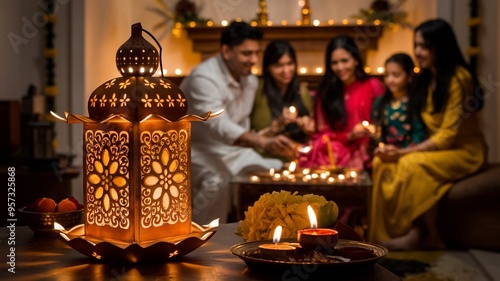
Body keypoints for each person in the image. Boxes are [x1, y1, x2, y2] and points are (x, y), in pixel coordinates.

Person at [369, 19, 487, 250]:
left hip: (464, 151)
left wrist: (403, 151)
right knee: (380, 161)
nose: (418, 52)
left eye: (424, 46)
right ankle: (381, 234)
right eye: (417, 45)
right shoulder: (425, 77)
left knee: (410, 162)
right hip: (433, 146)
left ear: (439, 47)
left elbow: (446, 136)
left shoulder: (458, 78)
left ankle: (421, 233)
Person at [179, 21, 296, 224]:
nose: (253, 60)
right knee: (216, 183)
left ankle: (262, 233)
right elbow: (219, 124)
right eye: (246, 53)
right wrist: (263, 143)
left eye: (256, 53)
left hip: (231, 150)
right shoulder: (204, 78)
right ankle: (203, 238)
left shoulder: (249, 79)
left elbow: (241, 126)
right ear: (226, 51)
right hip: (193, 149)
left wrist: (271, 135)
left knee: (277, 170)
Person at [299, 35, 384, 171]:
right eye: (334, 63)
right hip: (336, 154)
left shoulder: (373, 86)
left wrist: (370, 132)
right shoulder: (326, 91)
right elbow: (322, 133)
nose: (340, 67)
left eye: (345, 61)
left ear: (356, 60)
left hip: (369, 149)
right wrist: (349, 136)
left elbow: (383, 123)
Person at [250, 39, 314, 154]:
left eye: (290, 64)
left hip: (296, 157)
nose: (286, 71)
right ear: (268, 68)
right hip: (262, 157)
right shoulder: (257, 90)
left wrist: (307, 127)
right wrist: (276, 126)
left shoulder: (302, 91)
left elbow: (308, 137)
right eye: (278, 65)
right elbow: (247, 137)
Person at [372, 53, 426, 149]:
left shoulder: (415, 102)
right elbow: (377, 132)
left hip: (410, 152)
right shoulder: (380, 102)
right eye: (387, 75)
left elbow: (419, 134)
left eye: (396, 75)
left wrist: (401, 152)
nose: (390, 80)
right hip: (386, 151)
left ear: (409, 76)